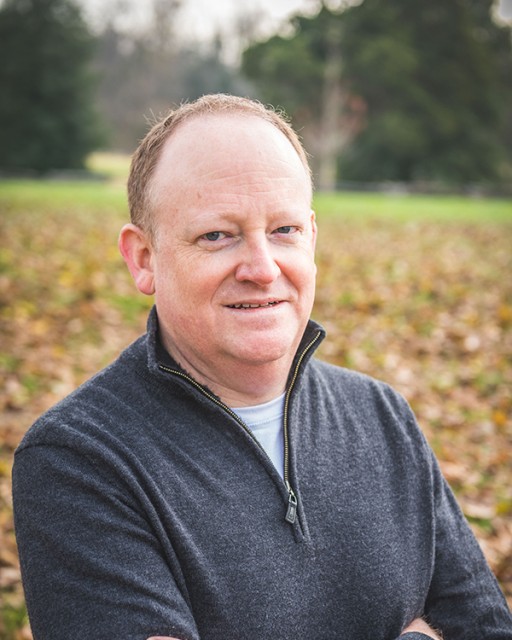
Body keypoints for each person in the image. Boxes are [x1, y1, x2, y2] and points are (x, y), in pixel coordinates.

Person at [12, 94, 512, 640]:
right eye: (216, 235)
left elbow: (484, 626)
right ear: (143, 258)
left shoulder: (381, 415)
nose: (262, 267)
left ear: (312, 238)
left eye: (284, 230)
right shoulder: (79, 459)